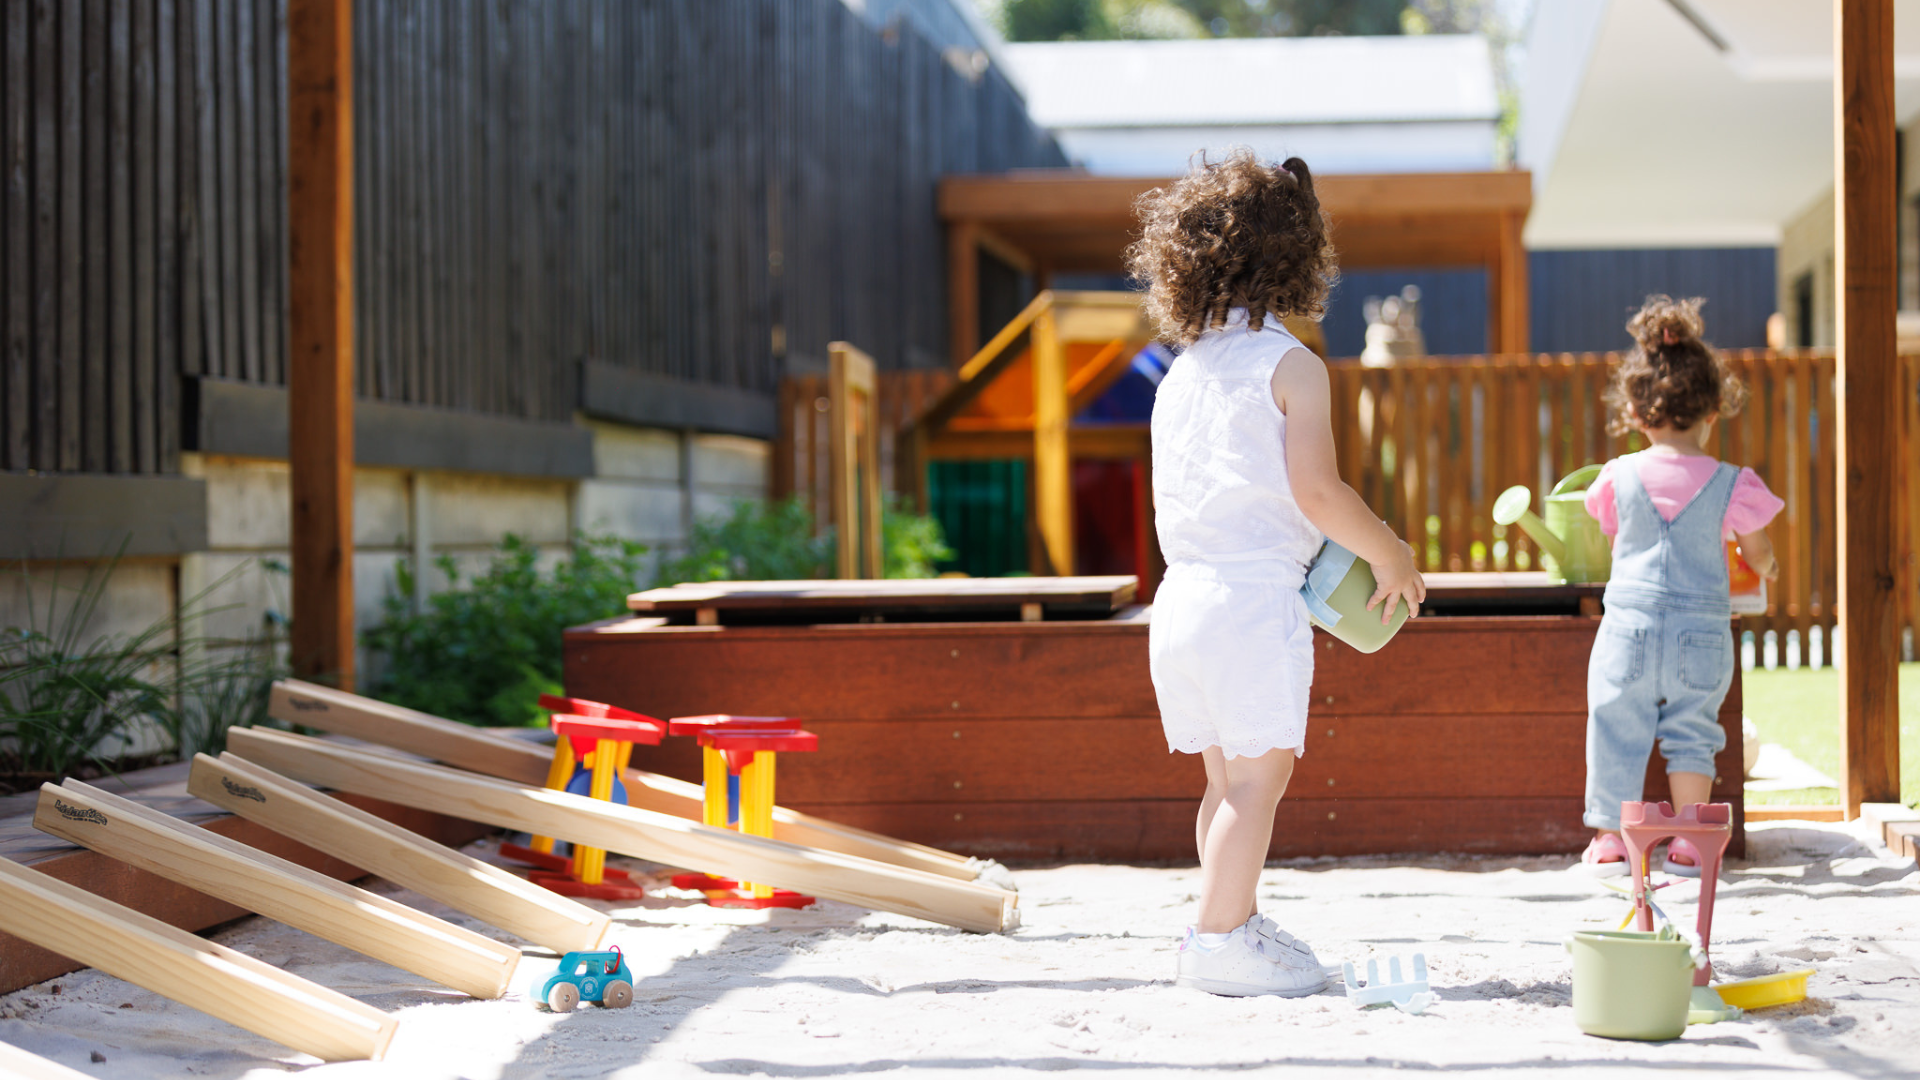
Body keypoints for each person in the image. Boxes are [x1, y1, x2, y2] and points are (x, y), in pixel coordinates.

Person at [1126, 151, 1426, 997]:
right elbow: (1318, 493)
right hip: (1250, 605)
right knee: (1258, 782)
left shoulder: (1179, 373)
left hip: (1180, 599)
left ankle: (1234, 922)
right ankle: (1217, 942)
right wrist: (1388, 552)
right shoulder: (1291, 365)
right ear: (1298, 258)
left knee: (1225, 782)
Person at [1578, 296, 1783, 877]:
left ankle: (1614, 842)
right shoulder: (1733, 484)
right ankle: (1692, 841)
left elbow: (1614, 532)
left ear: (1637, 415)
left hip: (1630, 629)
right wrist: (1763, 566)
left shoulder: (1617, 477)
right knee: (1694, 730)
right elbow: (1758, 549)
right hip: (1701, 632)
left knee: (1616, 721)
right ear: (1714, 411)